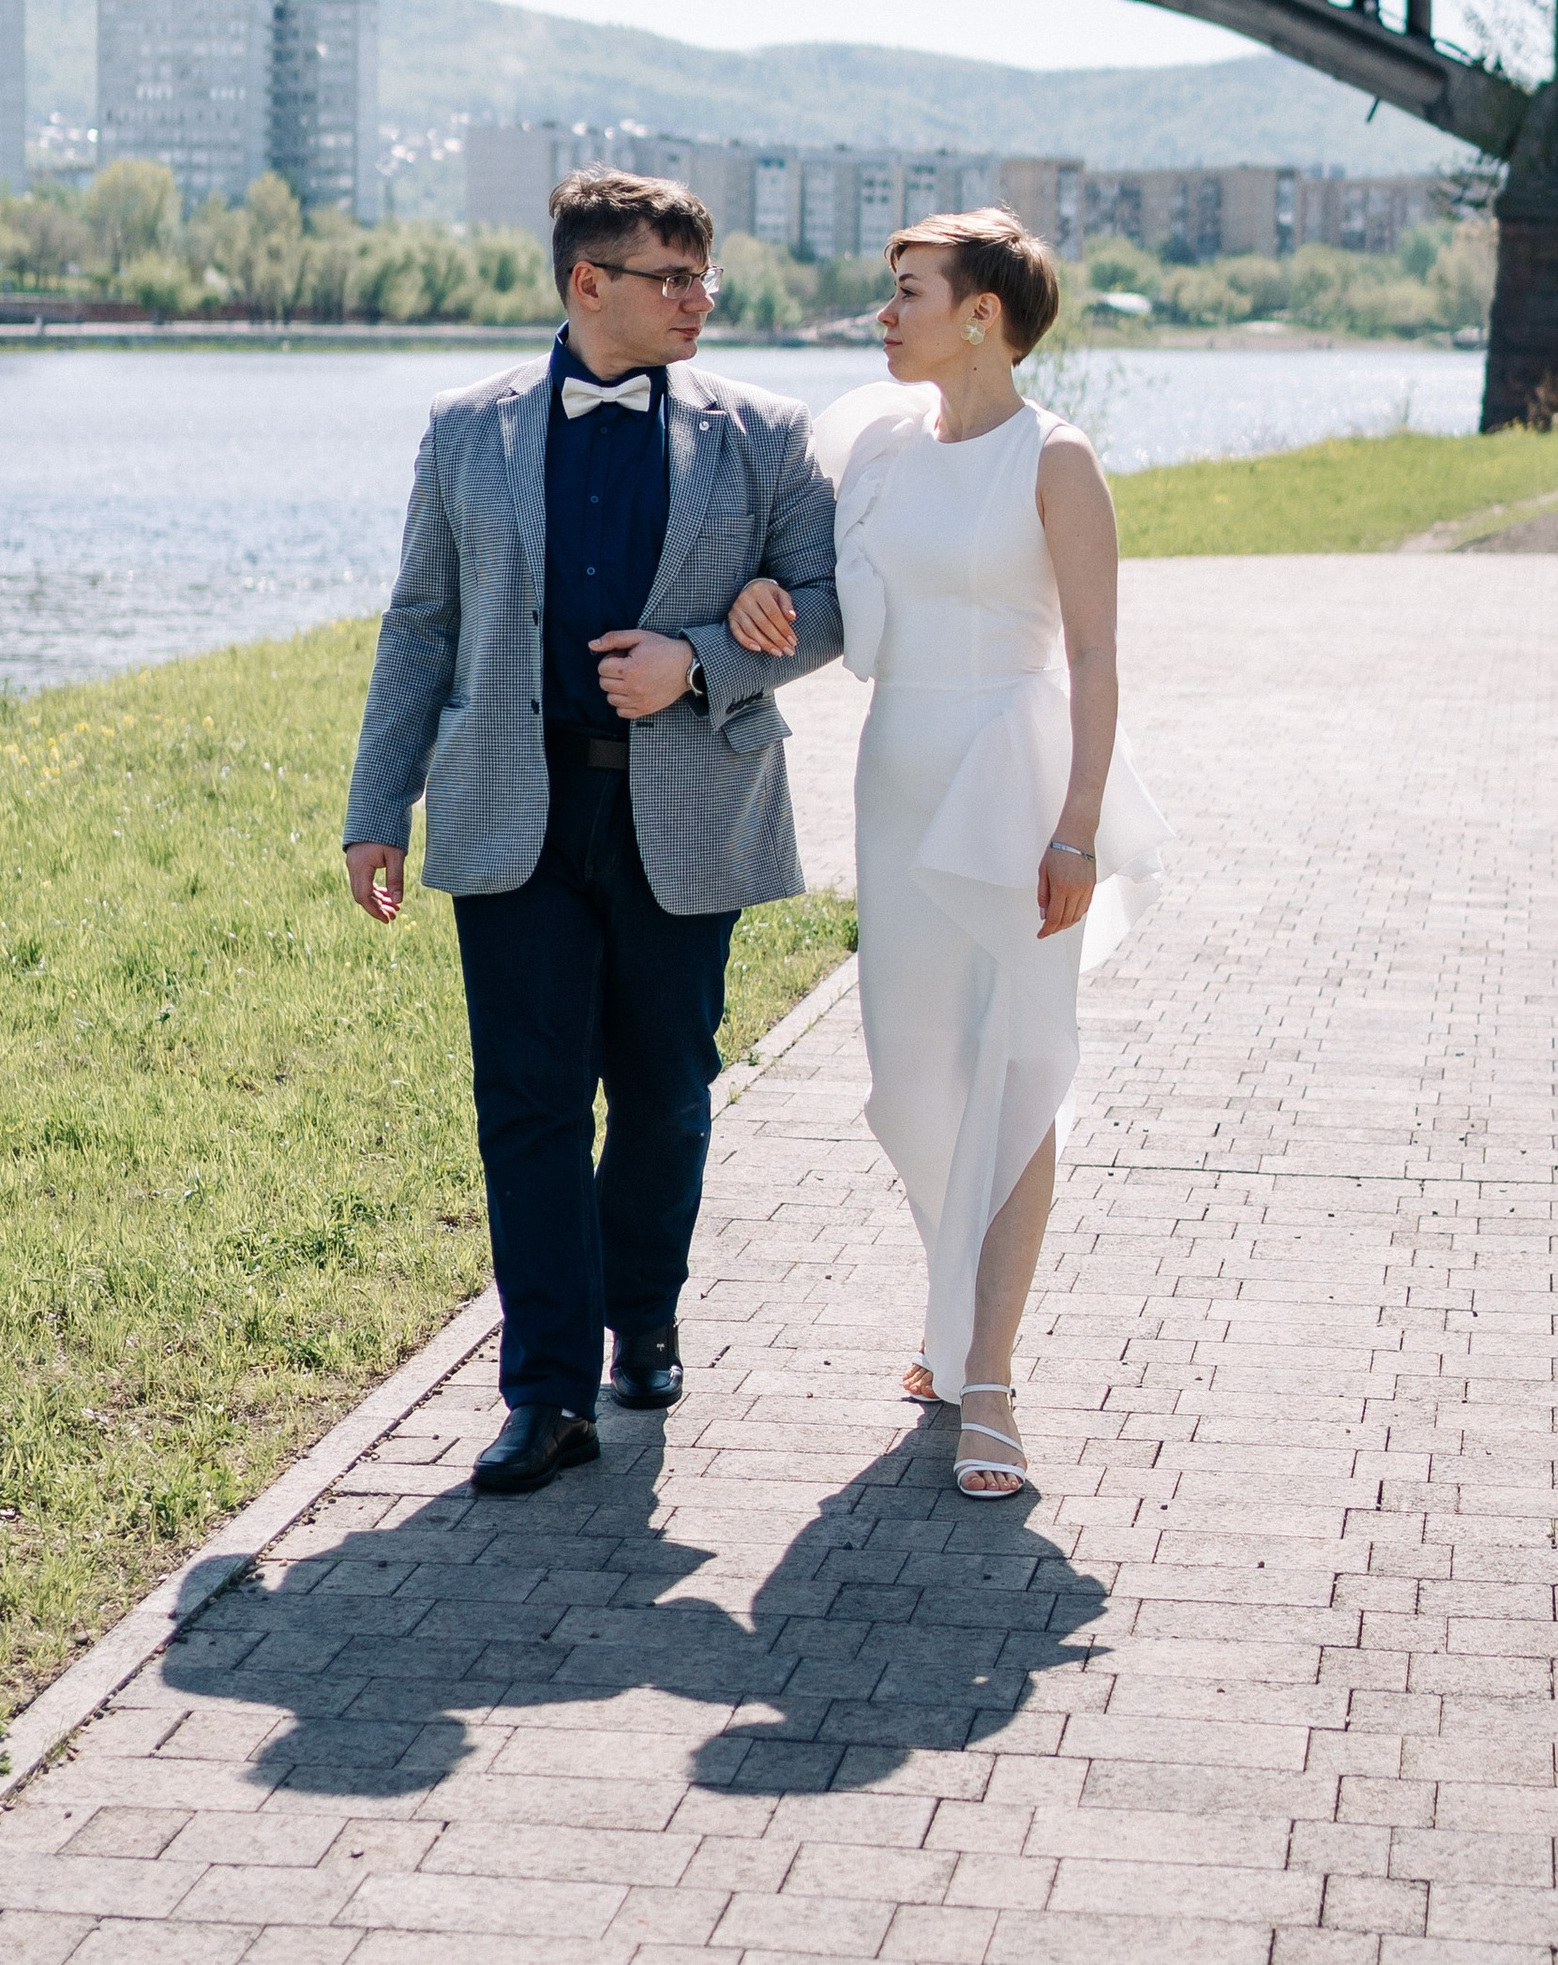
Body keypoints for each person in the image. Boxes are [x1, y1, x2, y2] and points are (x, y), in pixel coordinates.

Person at [343, 166, 845, 1497]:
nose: (699, 301)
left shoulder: (768, 434)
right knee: (528, 1107)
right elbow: (423, 626)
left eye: (703, 278)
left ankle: (647, 1309)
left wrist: (695, 660)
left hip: (690, 811)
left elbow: (830, 606)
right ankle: (547, 1390)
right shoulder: (466, 431)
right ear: (587, 285)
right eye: (670, 280)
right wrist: (374, 807)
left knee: (669, 1097)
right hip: (513, 808)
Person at [727, 207, 1167, 1499]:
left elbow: (1094, 657)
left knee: (1015, 1072)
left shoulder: (1057, 457)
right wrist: (766, 605)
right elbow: (843, 615)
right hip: (895, 778)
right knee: (910, 1088)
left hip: (1014, 779)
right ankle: (952, 1317)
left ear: (983, 314)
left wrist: (1078, 823)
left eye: (908, 290)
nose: (885, 310)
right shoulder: (875, 447)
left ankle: (990, 1380)